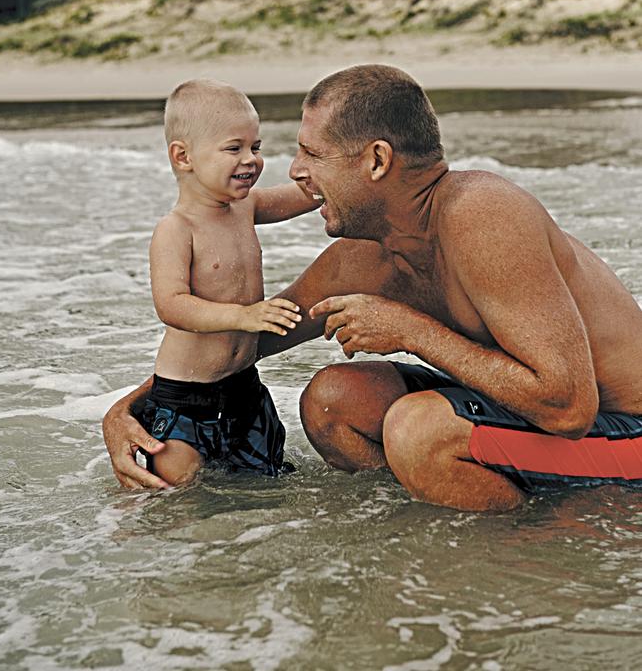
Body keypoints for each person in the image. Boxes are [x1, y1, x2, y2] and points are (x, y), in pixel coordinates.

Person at [104, 65, 642, 509]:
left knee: (420, 430)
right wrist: (134, 410)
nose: (294, 172)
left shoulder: (481, 212)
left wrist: (409, 330)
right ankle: (441, 525)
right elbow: (244, 342)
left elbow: (569, 406)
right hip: (528, 414)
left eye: (312, 154)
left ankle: (540, 548)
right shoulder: (361, 260)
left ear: (377, 160)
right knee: (333, 400)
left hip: (623, 433)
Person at [132, 78, 319, 486]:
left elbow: (305, 196)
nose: (251, 159)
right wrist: (244, 316)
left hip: (244, 389)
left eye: (257, 147)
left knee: (267, 486)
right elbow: (172, 304)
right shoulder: (176, 229)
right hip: (184, 398)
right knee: (175, 492)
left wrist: (342, 173)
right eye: (234, 148)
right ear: (183, 157)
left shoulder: (245, 206)